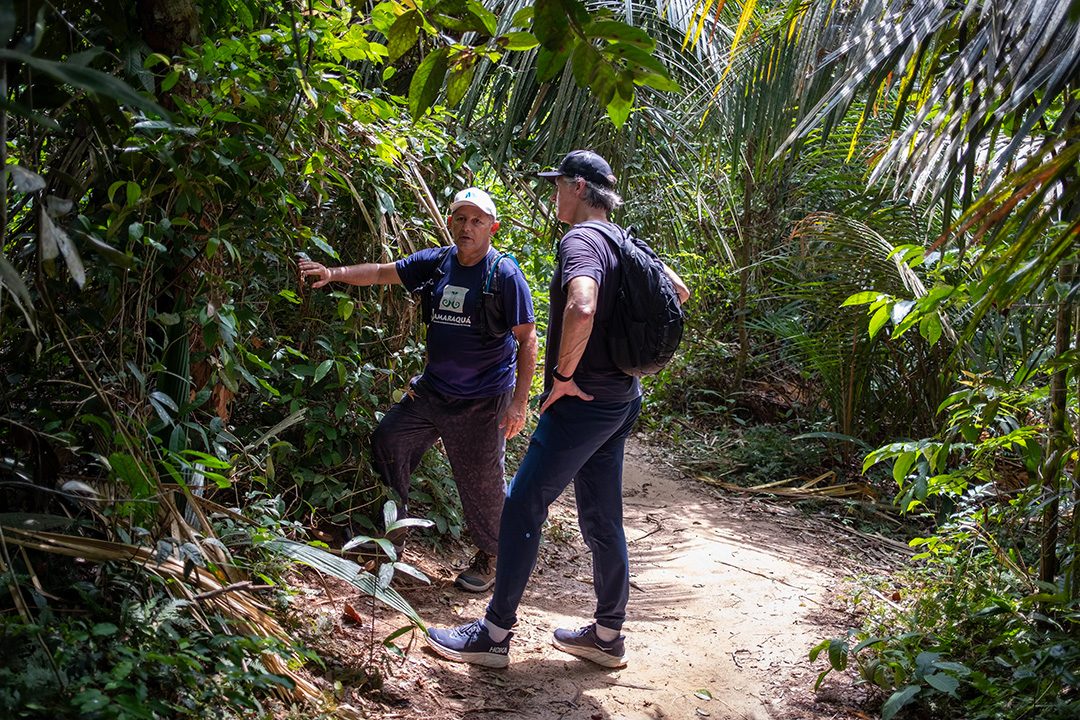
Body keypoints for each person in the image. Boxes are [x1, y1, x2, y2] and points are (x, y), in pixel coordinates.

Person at [425, 151, 690, 667]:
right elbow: (677, 291)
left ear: (576, 186)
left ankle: (494, 636)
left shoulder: (582, 240)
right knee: (602, 514)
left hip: (583, 400)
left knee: (523, 504)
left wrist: (564, 376)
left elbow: (583, 304)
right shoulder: (624, 239)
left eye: (557, 186)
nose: (554, 195)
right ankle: (608, 636)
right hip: (621, 397)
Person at [299, 187, 538, 592]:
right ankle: (393, 537)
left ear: (492, 228)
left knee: (481, 481)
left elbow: (527, 339)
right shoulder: (436, 263)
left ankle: (492, 553)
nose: (468, 227)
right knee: (389, 439)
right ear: (450, 223)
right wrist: (333, 274)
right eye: (461, 219)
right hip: (432, 391)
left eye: (477, 220)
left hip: (483, 399)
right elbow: (380, 272)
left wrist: (519, 402)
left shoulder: (504, 275)